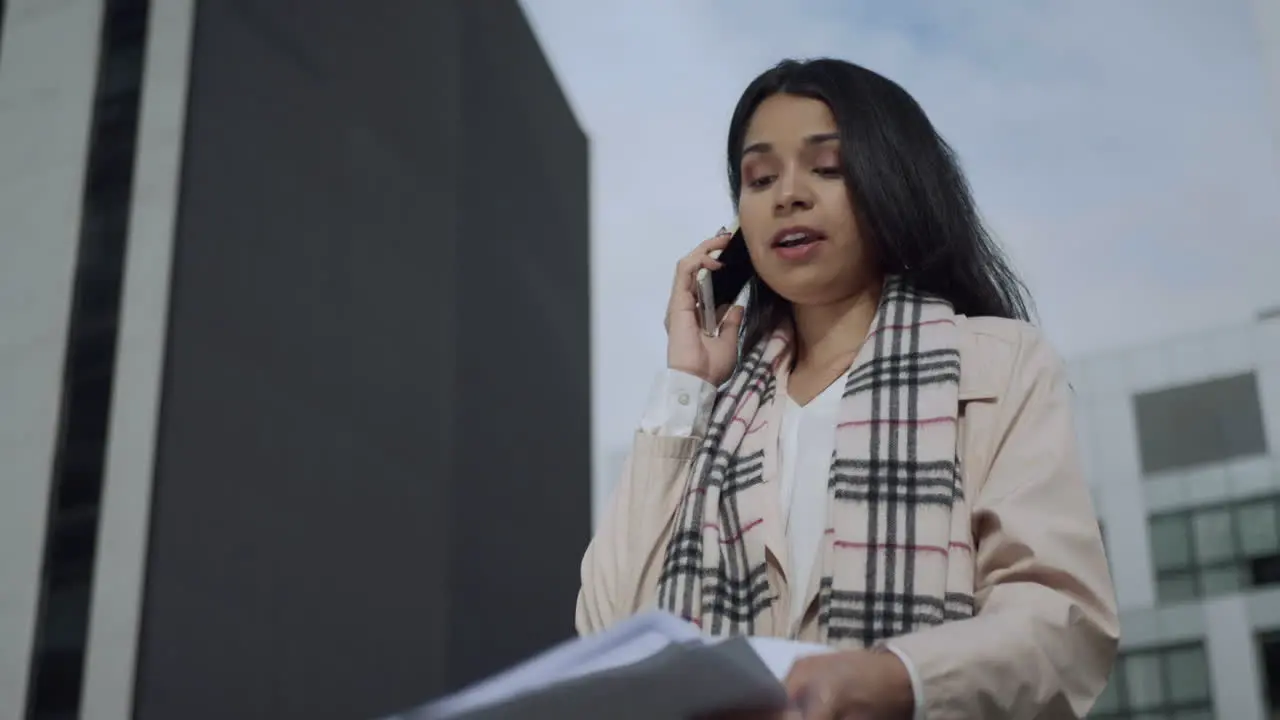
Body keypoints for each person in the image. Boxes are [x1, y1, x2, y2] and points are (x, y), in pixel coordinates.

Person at [576, 58, 1119, 719]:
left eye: (826, 168)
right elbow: (610, 632)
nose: (788, 196)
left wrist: (897, 677)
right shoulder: (715, 417)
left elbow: (1060, 621)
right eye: (759, 177)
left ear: (893, 180)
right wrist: (685, 384)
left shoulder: (994, 366)